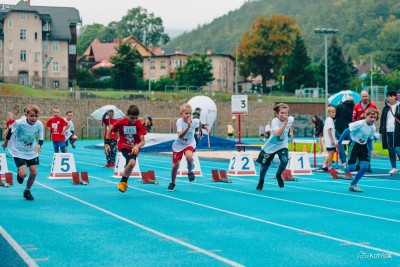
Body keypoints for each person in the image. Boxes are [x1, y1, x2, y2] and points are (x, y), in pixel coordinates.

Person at [1, 105, 44, 200]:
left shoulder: (39, 124)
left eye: (36, 116)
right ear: (26, 115)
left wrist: (38, 145)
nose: (34, 118)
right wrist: (5, 143)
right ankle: (20, 172)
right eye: (31, 116)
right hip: (18, 150)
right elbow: (10, 132)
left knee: (33, 173)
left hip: (31, 151)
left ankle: (27, 191)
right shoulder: (20, 123)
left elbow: (41, 139)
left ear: (39, 116)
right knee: (24, 174)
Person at [104, 105, 146, 193]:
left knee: (130, 165)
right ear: (127, 115)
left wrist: (137, 146)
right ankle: (123, 182)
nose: (134, 120)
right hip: (124, 146)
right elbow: (110, 130)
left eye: (136, 118)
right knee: (132, 162)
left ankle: (125, 177)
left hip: (134, 147)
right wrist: (107, 144)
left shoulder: (138, 124)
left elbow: (143, 141)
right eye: (132, 118)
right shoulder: (121, 122)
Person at [336, 108, 379, 192]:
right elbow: (346, 131)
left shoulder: (373, 128)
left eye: (375, 118)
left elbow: (369, 139)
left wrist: (372, 150)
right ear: (366, 116)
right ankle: (347, 165)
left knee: (365, 167)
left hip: (363, 147)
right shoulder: (359, 124)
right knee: (351, 168)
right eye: (371, 117)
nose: (373, 119)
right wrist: (339, 142)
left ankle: (353, 184)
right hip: (354, 144)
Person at [255, 103, 294, 191]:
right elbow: (277, 134)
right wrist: (285, 123)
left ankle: (278, 175)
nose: (284, 115)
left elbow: (292, 123)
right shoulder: (275, 121)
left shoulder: (290, 119)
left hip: (282, 145)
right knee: (264, 167)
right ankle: (261, 181)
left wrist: (291, 132)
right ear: (277, 114)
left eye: (286, 113)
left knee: (285, 161)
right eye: (282, 113)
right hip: (271, 146)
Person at [167, 103, 201, 192]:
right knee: (175, 166)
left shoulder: (195, 121)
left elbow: (199, 122)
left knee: (189, 156)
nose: (189, 115)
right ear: (181, 114)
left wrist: (200, 131)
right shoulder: (179, 122)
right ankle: (173, 182)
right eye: (186, 113)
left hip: (189, 143)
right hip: (179, 145)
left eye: (190, 113)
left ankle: (190, 172)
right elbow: (180, 136)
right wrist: (188, 127)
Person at [352, 91, 377, 172]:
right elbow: (353, 118)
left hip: (368, 128)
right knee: (357, 147)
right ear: (360, 97)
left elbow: (375, 116)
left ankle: (368, 164)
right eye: (363, 96)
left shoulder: (373, 105)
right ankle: (358, 164)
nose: (365, 98)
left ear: (368, 96)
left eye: (366, 96)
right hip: (359, 130)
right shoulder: (356, 106)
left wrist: (370, 121)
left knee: (368, 147)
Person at [379, 90, 400, 174]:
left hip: (397, 131)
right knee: (390, 150)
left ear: (395, 97)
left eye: (391, 96)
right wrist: (381, 131)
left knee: (398, 149)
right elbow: (382, 120)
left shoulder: (399, 106)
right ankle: (394, 167)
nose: (390, 98)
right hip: (387, 132)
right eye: (388, 96)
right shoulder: (386, 108)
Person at [334, 96, 355, 165]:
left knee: (340, 144)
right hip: (350, 128)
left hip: (339, 127)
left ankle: (343, 160)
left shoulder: (339, 106)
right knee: (351, 144)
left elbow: (335, 116)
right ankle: (351, 160)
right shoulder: (355, 107)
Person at [321, 106, 339, 177]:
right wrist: (332, 140)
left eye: (335, 112)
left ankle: (324, 165)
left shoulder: (329, 120)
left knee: (330, 153)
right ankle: (330, 167)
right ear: (329, 113)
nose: (334, 113)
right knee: (330, 153)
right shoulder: (329, 120)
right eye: (333, 112)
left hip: (328, 139)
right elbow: (329, 130)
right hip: (330, 140)